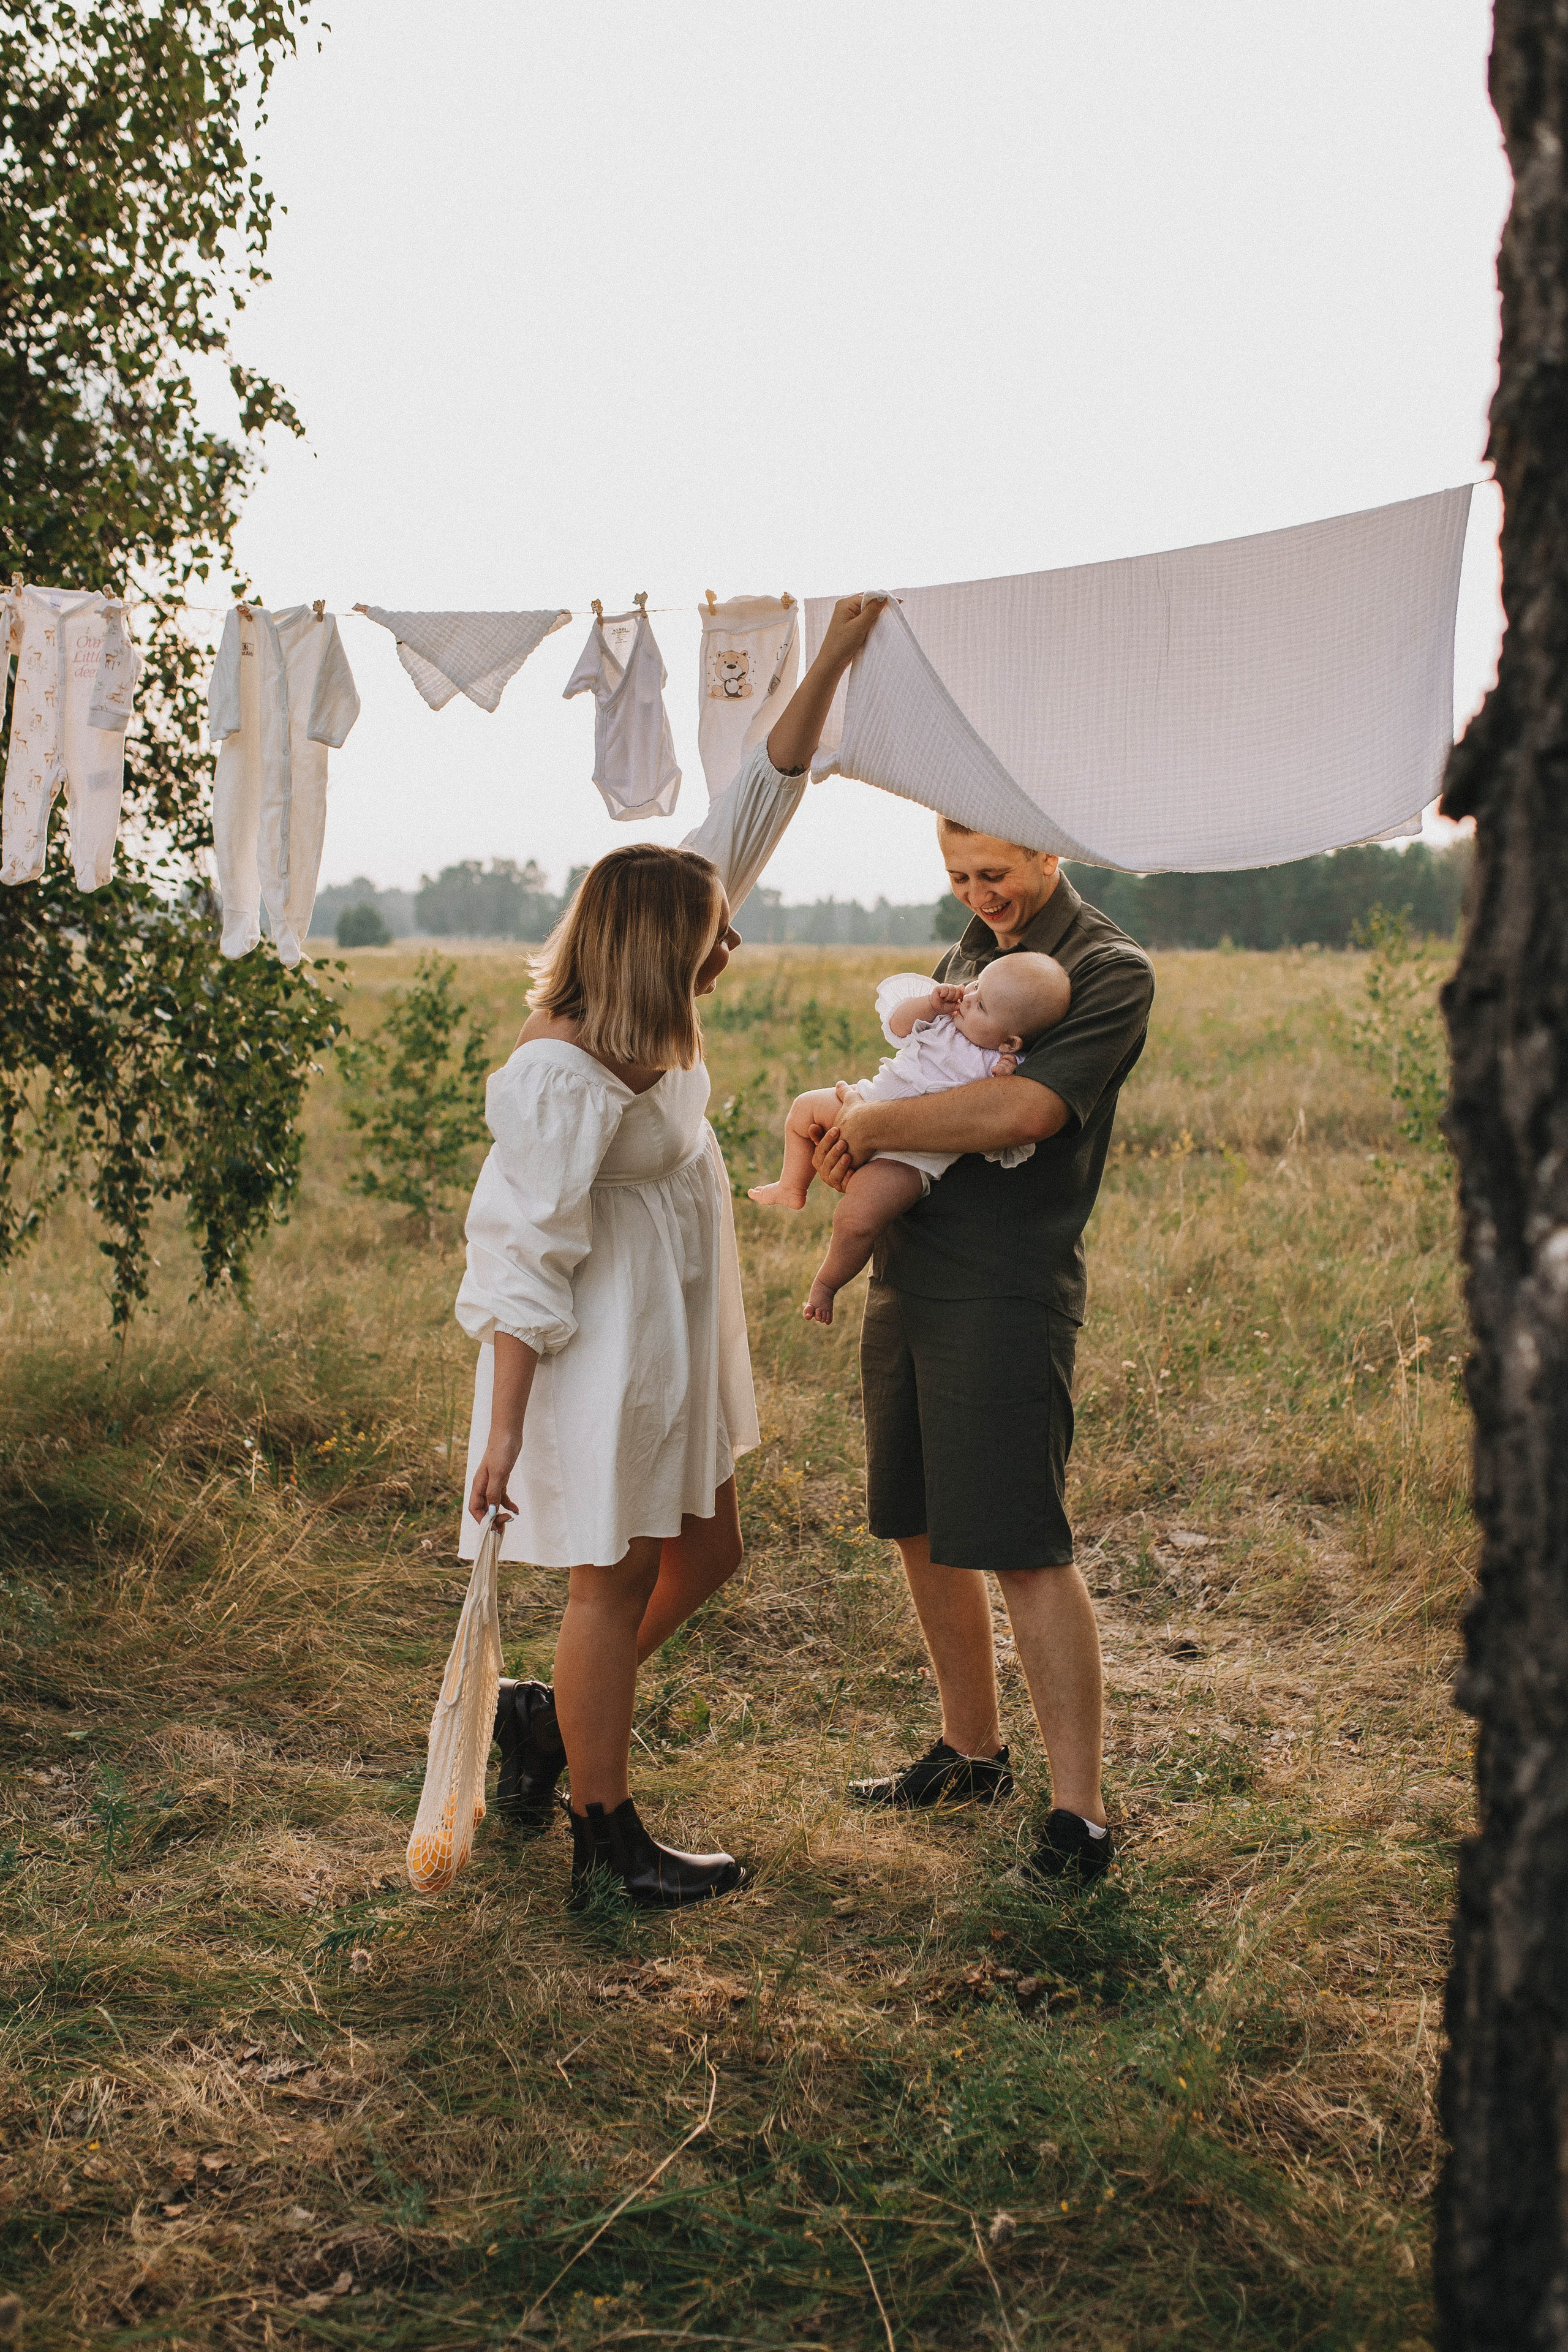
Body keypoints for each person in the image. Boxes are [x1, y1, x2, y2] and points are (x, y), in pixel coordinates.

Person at [455, 595, 886, 1908]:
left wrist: (836, 649)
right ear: (655, 953)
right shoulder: (561, 1075)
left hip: (672, 1333)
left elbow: (762, 795)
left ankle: (549, 1721)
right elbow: (520, 1262)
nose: (730, 944)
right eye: (712, 940)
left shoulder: (662, 941)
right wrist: (503, 1436)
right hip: (596, 1351)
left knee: (708, 1554)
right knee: (618, 1577)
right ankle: (606, 1842)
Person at [812, 811, 1154, 1884]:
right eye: (959, 875)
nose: (978, 894)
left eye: (995, 872)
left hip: (1004, 1283)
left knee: (1020, 1541)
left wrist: (873, 1130)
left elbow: (1025, 1110)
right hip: (911, 1261)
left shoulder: (1110, 969)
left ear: (1051, 849)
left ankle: (1080, 1819)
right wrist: (860, 1133)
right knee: (917, 1517)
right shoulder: (976, 943)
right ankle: (970, 1753)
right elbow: (932, 1072)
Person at [749, 952, 1071, 1324]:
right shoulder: (944, 1021)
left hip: (909, 1158)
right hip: (867, 1100)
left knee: (857, 1218)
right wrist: (929, 1004)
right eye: (975, 985)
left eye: (981, 1004)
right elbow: (898, 1027)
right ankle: (792, 1185)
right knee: (804, 1108)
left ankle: (826, 1284)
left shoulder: (999, 1066)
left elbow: (1004, 1112)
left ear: (1011, 1043)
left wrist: (1006, 1073)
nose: (968, 998)